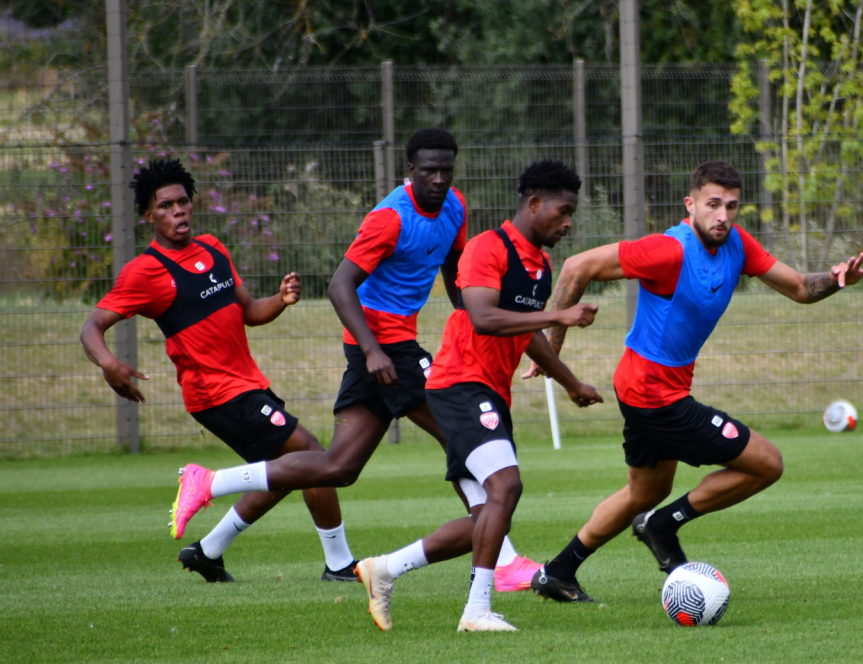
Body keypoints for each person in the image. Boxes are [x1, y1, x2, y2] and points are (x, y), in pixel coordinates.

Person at [168, 129, 541, 592]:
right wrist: (371, 350)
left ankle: (209, 486)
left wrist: (471, 317)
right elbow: (339, 285)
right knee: (464, 437)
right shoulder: (389, 217)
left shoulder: (455, 206)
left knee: (338, 467)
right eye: (429, 171)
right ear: (410, 171)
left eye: (446, 170)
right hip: (384, 347)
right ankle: (502, 561)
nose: (439, 179)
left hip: (392, 348)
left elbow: (454, 266)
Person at [528, 160, 863, 602]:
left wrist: (835, 280)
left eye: (731, 206)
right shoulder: (668, 251)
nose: (723, 216)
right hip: (653, 394)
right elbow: (577, 267)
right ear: (690, 204)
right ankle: (661, 525)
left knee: (645, 491)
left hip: (650, 388)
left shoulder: (738, 245)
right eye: (713, 204)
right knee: (767, 463)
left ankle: (556, 573)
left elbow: (799, 289)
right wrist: (552, 347)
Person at [351, 159, 602, 632]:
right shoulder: (488, 247)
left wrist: (571, 383)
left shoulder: (539, 265)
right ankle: (476, 612)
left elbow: (525, 333)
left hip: (489, 391)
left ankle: (385, 569)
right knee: (506, 487)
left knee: (489, 517)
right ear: (534, 204)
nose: (568, 223)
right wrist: (559, 316)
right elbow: (484, 317)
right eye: (564, 211)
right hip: (459, 384)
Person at [81, 157, 349, 584]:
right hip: (215, 393)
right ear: (148, 216)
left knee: (284, 472)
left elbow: (250, 312)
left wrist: (280, 300)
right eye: (166, 206)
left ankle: (207, 552)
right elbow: (91, 327)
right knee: (312, 456)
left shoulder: (213, 248)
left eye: (182, 202)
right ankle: (339, 565)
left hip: (247, 384)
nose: (178, 211)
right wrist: (109, 362)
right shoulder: (145, 272)